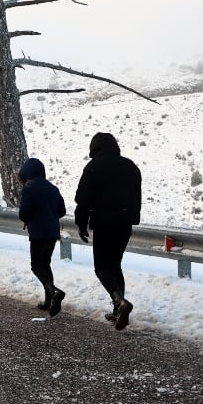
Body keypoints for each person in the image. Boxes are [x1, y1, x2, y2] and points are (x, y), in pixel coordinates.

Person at [74, 132, 142, 330]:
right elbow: (136, 196)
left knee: (102, 267)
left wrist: (81, 223)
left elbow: (83, 200)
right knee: (115, 265)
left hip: (104, 224)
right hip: (125, 225)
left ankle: (119, 302)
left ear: (94, 148)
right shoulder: (130, 166)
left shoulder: (93, 167)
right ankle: (118, 310)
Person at [17, 158, 67, 317]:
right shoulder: (53, 188)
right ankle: (48, 301)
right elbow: (62, 210)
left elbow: (24, 213)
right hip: (52, 232)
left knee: (36, 265)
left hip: (38, 232)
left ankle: (53, 291)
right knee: (45, 264)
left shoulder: (29, 188)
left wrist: (30, 219)